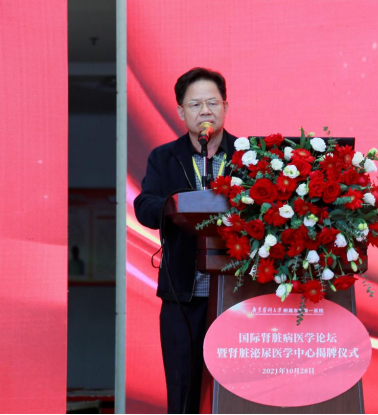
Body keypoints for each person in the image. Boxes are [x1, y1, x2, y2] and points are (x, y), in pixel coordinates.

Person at [134, 67, 237, 413]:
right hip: (184, 294)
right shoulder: (164, 158)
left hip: (239, 294)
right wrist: (177, 205)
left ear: (225, 106)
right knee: (183, 391)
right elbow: (145, 206)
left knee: (238, 391)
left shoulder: (250, 156)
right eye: (195, 104)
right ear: (181, 112)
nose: (205, 111)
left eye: (212, 103)